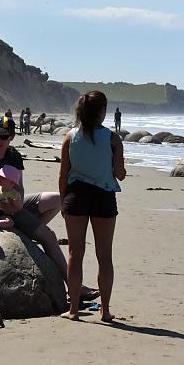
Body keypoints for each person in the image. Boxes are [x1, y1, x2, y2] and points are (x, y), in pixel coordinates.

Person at [0, 116, 99, 301]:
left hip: (13, 204)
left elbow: (19, 187)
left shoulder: (14, 156)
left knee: (58, 199)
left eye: (4, 136)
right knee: (48, 236)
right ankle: (75, 286)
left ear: (12, 136)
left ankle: (27, 232)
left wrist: (17, 205)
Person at [59, 91, 126, 322]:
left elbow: (63, 174)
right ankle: (105, 311)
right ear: (102, 112)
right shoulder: (113, 139)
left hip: (76, 196)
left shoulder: (69, 136)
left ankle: (74, 310)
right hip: (103, 197)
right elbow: (120, 174)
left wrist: (62, 201)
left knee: (75, 255)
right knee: (104, 256)